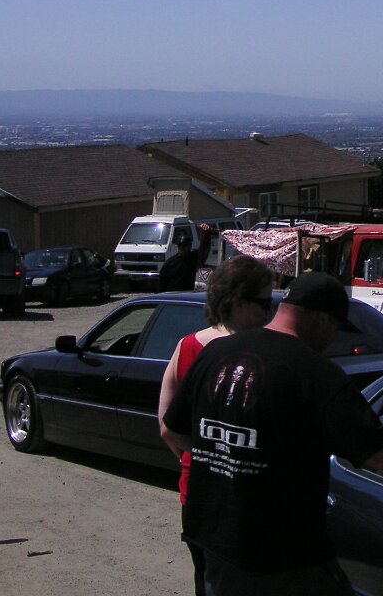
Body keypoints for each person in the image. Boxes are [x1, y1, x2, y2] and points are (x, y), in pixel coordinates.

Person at [162, 272, 383, 596]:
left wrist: (226, 461)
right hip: (280, 561)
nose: (333, 339)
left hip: (210, 544)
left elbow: (173, 430)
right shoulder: (315, 374)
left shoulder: (216, 354)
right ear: (321, 319)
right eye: (336, 329)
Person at [158, 255, 275, 596]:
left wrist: (201, 454)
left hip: (196, 490)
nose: (270, 313)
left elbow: (167, 427)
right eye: (265, 304)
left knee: (206, 579)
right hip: (247, 495)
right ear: (238, 303)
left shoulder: (187, 347)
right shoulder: (262, 354)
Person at [158, 224, 212, 292]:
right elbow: (162, 284)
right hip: (172, 295)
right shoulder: (169, 263)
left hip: (189, 295)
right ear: (177, 246)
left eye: (184, 246)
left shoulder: (194, 258)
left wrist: (207, 233)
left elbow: (205, 249)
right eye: (180, 246)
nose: (182, 248)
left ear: (190, 246)